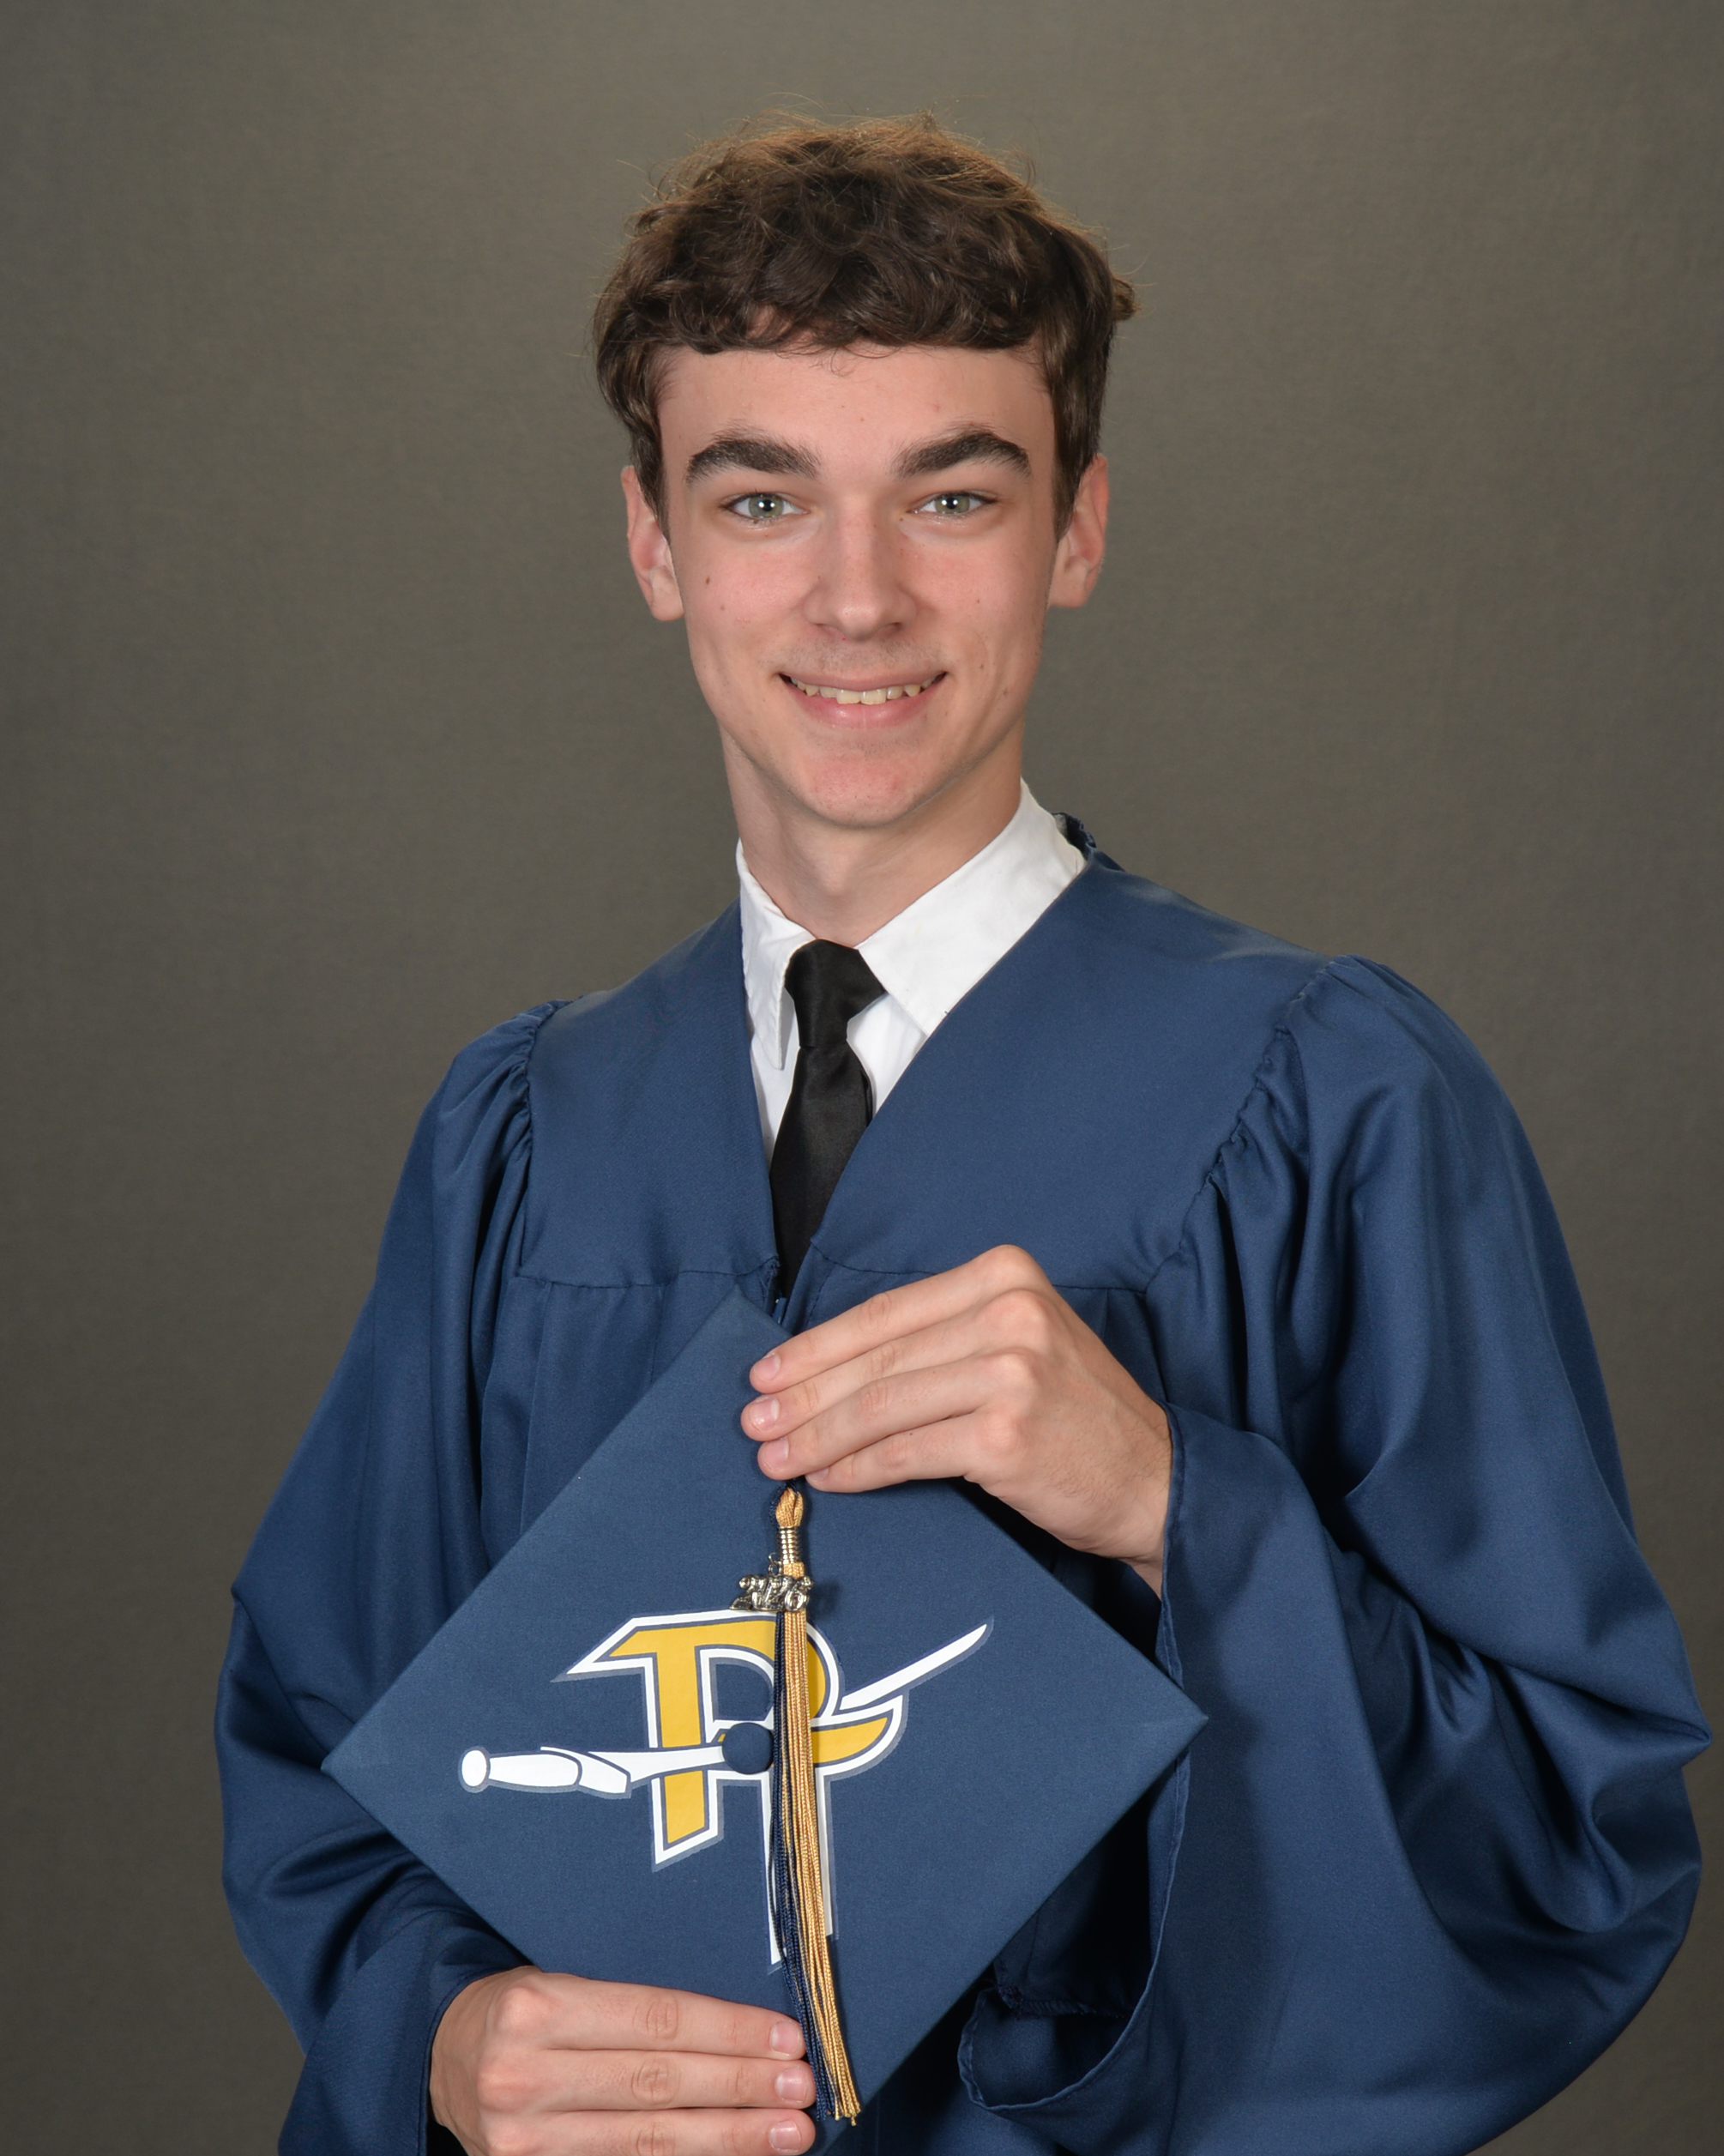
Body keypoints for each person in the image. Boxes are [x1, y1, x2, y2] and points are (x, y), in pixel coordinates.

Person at [217, 116, 1707, 2156]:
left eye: (952, 495)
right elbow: (326, 1741)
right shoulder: (525, 1142)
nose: (858, 596)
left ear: (1076, 528)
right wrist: (443, 2032)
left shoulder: (1336, 1102)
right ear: (654, 543)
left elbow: (1564, 1838)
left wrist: (1175, 1505)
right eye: (762, 498)